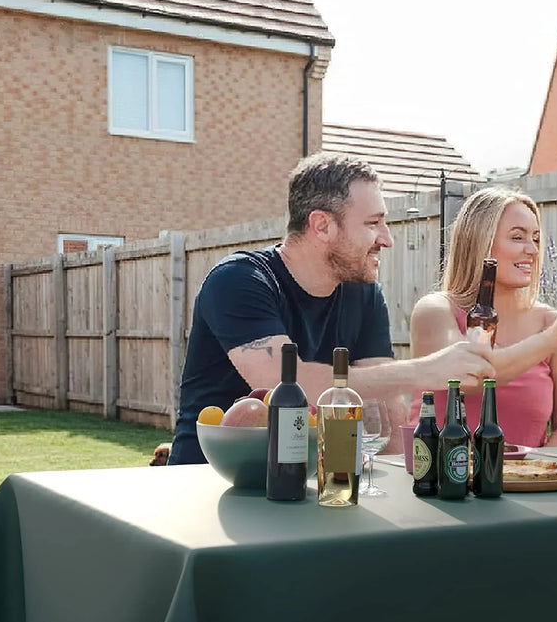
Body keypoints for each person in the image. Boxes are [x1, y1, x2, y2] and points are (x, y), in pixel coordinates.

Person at [169, 153, 493, 464]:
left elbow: (384, 399)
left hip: (303, 483)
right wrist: (425, 370)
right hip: (205, 481)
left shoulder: (363, 293)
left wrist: (394, 478)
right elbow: (287, 384)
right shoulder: (239, 280)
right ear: (322, 225)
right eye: (373, 223)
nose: (387, 239)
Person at [408, 187, 557, 447]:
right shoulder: (435, 311)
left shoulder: (550, 323)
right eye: (517, 237)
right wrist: (550, 340)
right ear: (480, 243)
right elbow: (469, 377)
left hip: (528, 472)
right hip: (441, 471)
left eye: (535, 239)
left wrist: (528, 467)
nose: (532, 250)